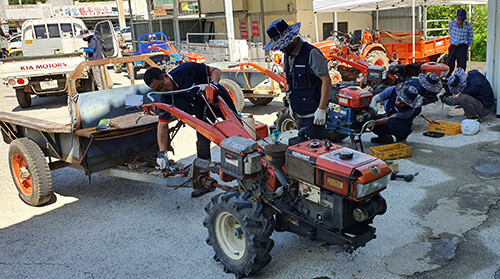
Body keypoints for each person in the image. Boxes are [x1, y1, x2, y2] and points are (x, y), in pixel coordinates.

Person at [143, 63, 237, 197]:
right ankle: (205, 182)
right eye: (158, 90)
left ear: (165, 76)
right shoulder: (166, 97)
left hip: (217, 99)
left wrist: (213, 84)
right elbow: (162, 125)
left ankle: (250, 173)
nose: (162, 90)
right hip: (202, 110)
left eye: (162, 86)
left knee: (237, 135)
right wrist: (162, 152)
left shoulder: (186, 69)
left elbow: (215, 70)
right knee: (202, 143)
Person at [264, 19, 331, 140]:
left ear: (292, 39)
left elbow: (326, 80)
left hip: (314, 116)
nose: (281, 50)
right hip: (299, 115)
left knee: (313, 151)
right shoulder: (286, 56)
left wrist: (321, 109)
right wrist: (291, 104)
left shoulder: (312, 53)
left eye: (283, 46)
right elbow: (291, 82)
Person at [446, 8, 473, 77]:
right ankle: (446, 79)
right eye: (459, 19)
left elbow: (470, 38)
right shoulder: (452, 24)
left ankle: (460, 80)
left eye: (463, 19)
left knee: (461, 67)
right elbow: (450, 33)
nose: (461, 21)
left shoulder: (468, 26)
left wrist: (465, 47)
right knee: (449, 64)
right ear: (456, 17)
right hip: (453, 46)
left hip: (462, 46)